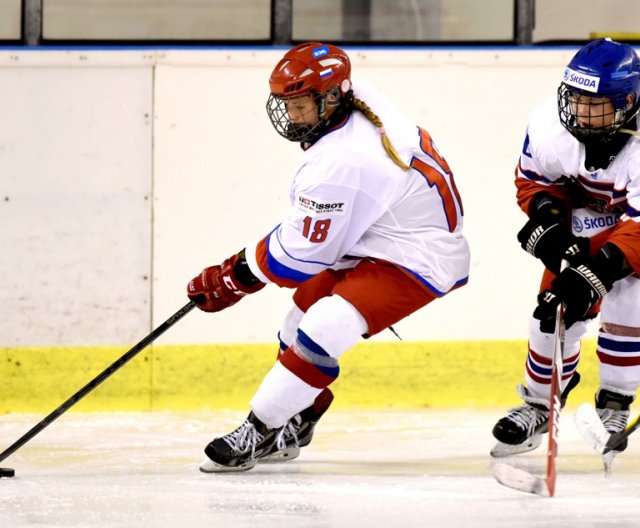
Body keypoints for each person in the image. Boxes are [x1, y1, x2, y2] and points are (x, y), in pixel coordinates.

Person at [186, 42, 470, 472]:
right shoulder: (357, 103)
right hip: (372, 233)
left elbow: (297, 259)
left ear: (334, 96)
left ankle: (258, 430)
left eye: (301, 105)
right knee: (298, 316)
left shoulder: (346, 161)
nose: (292, 116)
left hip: (417, 254)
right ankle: (298, 421)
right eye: (288, 104)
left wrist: (234, 275)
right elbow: (308, 246)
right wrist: (242, 269)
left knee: (326, 324)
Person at [491, 38, 640, 458]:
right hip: (585, 213)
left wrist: (599, 274)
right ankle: (539, 403)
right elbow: (534, 182)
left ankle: (615, 400)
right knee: (553, 309)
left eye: (595, 103)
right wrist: (550, 223)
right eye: (574, 98)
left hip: (633, 222)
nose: (579, 111)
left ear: (629, 101)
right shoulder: (548, 124)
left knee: (629, 303)